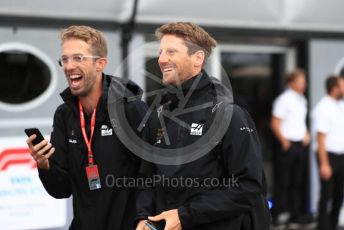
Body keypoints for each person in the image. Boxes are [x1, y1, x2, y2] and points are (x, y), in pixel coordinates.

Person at [135, 22, 270, 230]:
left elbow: (249, 186)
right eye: (160, 51)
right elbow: (147, 178)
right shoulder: (157, 116)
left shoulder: (229, 114)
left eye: (171, 51)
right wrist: (143, 217)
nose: (161, 59)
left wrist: (185, 215)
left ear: (197, 58)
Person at [26, 25, 147, 230]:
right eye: (65, 59)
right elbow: (61, 189)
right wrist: (45, 165)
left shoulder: (131, 110)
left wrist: (145, 219)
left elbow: (152, 176)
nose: (69, 66)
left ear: (100, 64)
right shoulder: (64, 115)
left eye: (78, 58)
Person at [270, 69, 313, 228]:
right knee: (284, 181)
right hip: (288, 145)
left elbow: (300, 122)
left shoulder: (302, 99)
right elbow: (274, 123)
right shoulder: (283, 99)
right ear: (291, 82)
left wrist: (307, 133)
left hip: (300, 144)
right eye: (301, 82)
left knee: (298, 181)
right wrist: (284, 141)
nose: (304, 85)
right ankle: (278, 215)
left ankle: (295, 215)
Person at [312, 76, 344, 230]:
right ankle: (323, 226)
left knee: (339, 194)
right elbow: (320, 138)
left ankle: (333, 224)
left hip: (341, 156)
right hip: (328, 156)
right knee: (327, 194)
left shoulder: (339, 105)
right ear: (334, 87)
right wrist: (324, 164)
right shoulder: (323, 107)